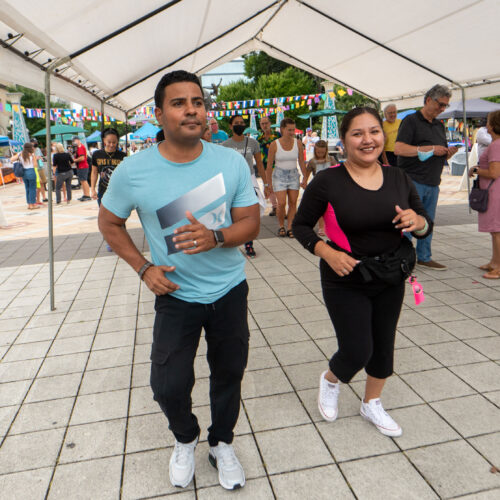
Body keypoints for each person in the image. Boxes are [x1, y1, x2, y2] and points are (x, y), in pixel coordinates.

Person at [98, 70, 259, 491]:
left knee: (229, 371)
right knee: (167, 384)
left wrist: (217, 237)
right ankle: (185, 437)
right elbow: (110, 223)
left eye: (198, 102)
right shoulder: (134, 171)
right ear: (158, 113)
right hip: (175, 294)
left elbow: (252, 222)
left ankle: (221, 442)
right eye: (178, 102)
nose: (191, 109)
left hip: (228, 290)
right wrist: (143, 268)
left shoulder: (230, 161)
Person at [293, 107, 432, 437]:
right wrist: (327, 252)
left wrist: (419, 223)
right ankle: (331, 380)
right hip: (345, 277)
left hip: (390, 274)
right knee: (357, 349)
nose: (368, 139)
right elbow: (300, 226)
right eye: (358, 133)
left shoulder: (399, 177)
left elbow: (425, 223)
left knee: (383, 346)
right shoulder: (328, 181)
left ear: (383, 136)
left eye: (374, 131)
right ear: (343, 141)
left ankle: (372, 403)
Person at [394, 84, 458, 270]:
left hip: (433, 182)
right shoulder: (411, 121)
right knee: (408, 221)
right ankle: (402, 259)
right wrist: (429, 149)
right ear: (429, 100)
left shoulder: (439, 125)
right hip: (412, 180)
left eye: (445, 106)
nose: (442, 109)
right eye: (440, 104)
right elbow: (399, 149)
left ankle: (424, 256)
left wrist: (448, 153)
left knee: (427, 222)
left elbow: (438, 153)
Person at [222, 115, 269, 258]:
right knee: (233, 212)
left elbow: (260, 164)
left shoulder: (253, 143)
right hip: (232, 181)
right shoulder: (225, 145)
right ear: (231, 126)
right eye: (237, 123)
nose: (240, 125)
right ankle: (234, 240)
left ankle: (249, 244)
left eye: (242, 123)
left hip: (250, 179)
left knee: (251, 211)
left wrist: (266, 184)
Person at [468, 110, 500, 279]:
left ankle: (499, 266)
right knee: (495, 231)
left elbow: (494, 172)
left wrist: (476, 169)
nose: (486, 125)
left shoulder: (495, 145)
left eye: (488, 121)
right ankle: (494, 262)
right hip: (494, 191)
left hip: (494, 192)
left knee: (497, 231)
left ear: (493, 125)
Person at [267, 118, 308, 238]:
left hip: (293, 174)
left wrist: (305, 177)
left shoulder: (298, 143)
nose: (292, 132)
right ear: (282, 129)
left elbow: (301, 161)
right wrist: (268, 183)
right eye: (289, 130)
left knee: (293, 202)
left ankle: (290, 227)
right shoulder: (275, 144)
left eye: (293, 130)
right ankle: (281, 226)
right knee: (281, 203)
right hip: (279, 175)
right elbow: (269, 165)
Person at [304, 140, 335, 236]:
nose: (320, 154)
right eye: (318, 152)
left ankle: (331, 226)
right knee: (321, 208)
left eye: (322, 152)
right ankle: (321, 227)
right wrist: (304, 183)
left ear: (326, 151)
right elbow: (306, 175)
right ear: (315, 151)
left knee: (330, 208)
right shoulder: (312, 162)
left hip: (330, 186)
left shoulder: (331, 159)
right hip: (318, 188)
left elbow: (337, 172)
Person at [90, 128, 127, 206]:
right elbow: (94, 172)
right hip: (103, 192)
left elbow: (126, 174)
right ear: (104, 140)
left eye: (114, 142)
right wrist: (92, 189)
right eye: (109, 142)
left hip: (119, 192)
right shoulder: (97, 154)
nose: (111, 145)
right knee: (104, 216)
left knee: (118, 217)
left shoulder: (123, 156)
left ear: (117, 141)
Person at [257, 115, 279, 216]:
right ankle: (275, 207)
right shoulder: (259, 138)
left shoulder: (278, 135)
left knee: (279, 186)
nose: (264, 125)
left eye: (266, 123)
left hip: (278, 164)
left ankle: (282, 207)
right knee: (269, 187)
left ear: (270, 124)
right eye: (262, 123)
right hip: (265, 166)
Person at [11, 142, 39, 210]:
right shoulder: (32, 154)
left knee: (27, 188)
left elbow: (11, 159)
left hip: (24, 172)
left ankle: (29, 204)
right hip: (31, 171)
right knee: (32, 188)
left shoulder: (20, 153)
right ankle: (32, 204)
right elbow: (35, 165)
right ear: (30, 148)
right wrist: (36, 159)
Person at [72, 136, 91, 201]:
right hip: (81, 166)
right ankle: (85, 194)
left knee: (84, 180)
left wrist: (74, 160)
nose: (73, 143)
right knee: (82, 181)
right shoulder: (79, 147)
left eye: (74, 141)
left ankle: (87, 195)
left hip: (83, 166)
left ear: (77, 140)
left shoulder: (80, 147)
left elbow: (82, 158)